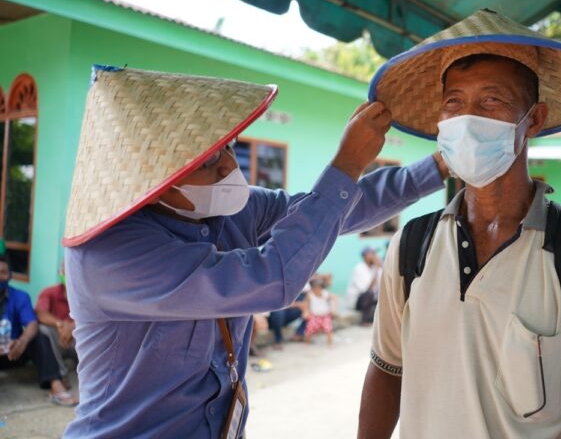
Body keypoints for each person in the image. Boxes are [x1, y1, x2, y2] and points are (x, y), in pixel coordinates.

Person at [61, 67, 447, 438]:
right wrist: (346, 164)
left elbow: (333, 208)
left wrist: (440, 165)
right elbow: (272, 277)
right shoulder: (109, 256)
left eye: (227, 146)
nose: (230, 165)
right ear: (152, 176)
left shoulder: (225, 213)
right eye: (209, 159)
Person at [358, 9, 561, 438]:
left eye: (492, 101)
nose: (467, 119)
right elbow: (387, 371)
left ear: (535, 120)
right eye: (454, 102)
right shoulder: (412, 245)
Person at [0, 255, 73, 405]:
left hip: (14, 352)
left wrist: (22, 341)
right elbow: (41, 313)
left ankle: (56, 386)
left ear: (10, 275)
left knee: (38, 334)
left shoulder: (20, 296)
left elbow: (32, 323)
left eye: (3, 272)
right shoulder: (50, 292)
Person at [34, 262, 78, 406]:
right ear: (60, 273)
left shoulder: (86, 295)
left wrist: (73, 326)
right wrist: (60, 324)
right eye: (65, 271)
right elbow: (40, 314)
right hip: (58, 341)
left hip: (79, 342)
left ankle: (98, 379)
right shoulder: (49, 292)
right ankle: (61, 376)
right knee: (43, 330)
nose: (68, 275)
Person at [346, 247, 383, 324]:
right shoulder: (359, 268)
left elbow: (383, 284)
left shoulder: (375, 268)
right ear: (366, 256)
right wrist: (376, 268)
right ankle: (364, 320)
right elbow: (367, 289)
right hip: (358, 301)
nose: (375, 256)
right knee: (368, 294)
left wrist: (381, 267)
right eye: (372, 254)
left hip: (371, 298)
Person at [304, 278, 337, 345]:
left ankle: (329, 343)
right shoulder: (310, 295)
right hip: (314, 316)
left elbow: (335, 298)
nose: (317, 289)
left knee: (329, 329)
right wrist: (306, 312)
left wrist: (333, 309)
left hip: (325, 316)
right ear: (312, 288)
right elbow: (306, 305)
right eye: (315, 287)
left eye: (319, 287)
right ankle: (306, 343)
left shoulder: (325, 293)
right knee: (309, 330)